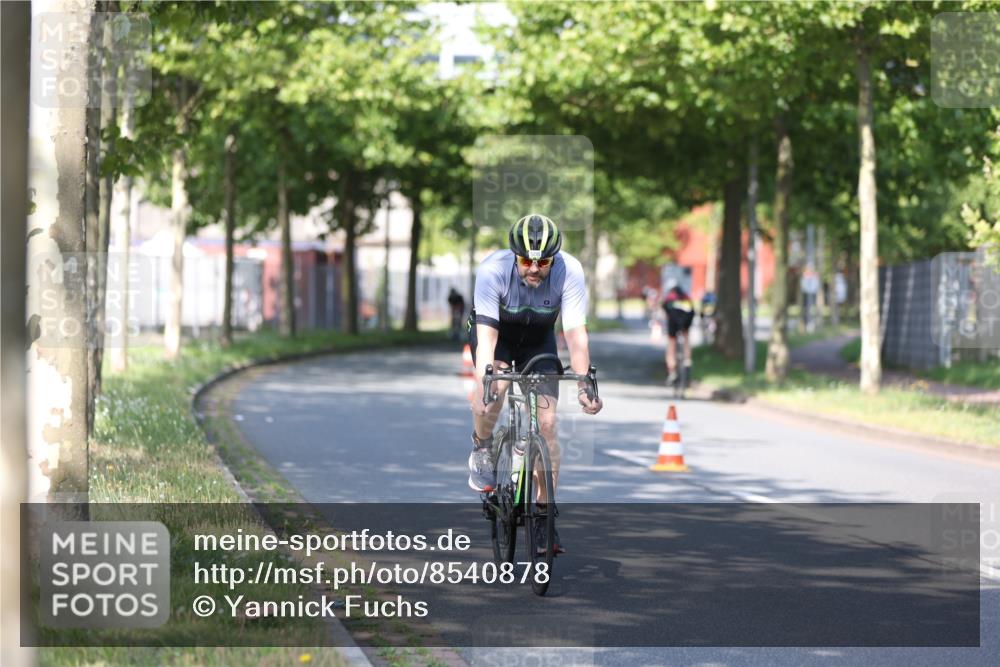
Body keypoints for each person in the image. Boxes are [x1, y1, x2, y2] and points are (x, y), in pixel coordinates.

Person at [467, 213, 603, 553]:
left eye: (542, 262)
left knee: (547, 424)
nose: (534, 268)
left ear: (553, 259)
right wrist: (487, 382)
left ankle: (543, 515)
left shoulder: (569, 271)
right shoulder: (492, 271)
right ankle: (483, 446)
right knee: (493, 391)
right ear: (514, 255)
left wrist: (585, 384)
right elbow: (486, 338)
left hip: (539, 339)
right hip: (497, 336)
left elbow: (575, 335)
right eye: (526, 260)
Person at [662, 280, 695, 386]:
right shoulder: (686, 296)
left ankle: (672, 370)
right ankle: (687, 361)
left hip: (673, 319)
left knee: (671, 342)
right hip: (686, 318)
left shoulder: (669, 297)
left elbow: (665, 312)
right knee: (686, 337)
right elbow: (692, 310)